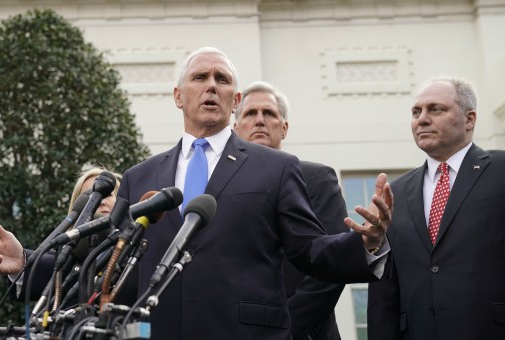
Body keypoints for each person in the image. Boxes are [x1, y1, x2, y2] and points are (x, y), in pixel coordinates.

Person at [117, 46, 393, 340]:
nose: (211, 85)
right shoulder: (139, 177)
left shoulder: (277, 168)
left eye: (221, 79)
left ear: (234, 100)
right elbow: (123, 272)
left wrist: (364, 244)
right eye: (200, 77)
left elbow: (309, 248)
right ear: (178, 96)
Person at [367, 77, 505, 339]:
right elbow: (384, 291)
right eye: (416, 112)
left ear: (469, 119)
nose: (422, 119)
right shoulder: (394, 192)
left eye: (436, 109)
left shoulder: (500, 171)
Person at [233, 81, 348, 340]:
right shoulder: (218, 188)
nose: (259, 121)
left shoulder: (317, 179)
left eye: (269, 114)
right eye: (250, 114)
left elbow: (331, 268)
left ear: (284, 128)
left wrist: (284, 330)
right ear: (235, 129)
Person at [0, 166, 121, 299]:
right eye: (90, 197)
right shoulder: (67, 258)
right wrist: (21, 261)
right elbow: (52, 267)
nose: (100, 201)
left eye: (106, 194)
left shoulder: (139, 248)